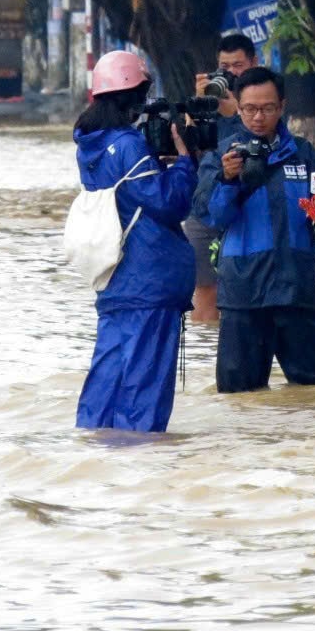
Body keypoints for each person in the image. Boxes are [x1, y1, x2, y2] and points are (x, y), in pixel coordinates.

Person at [192, 66, 315, 394]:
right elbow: (211, 217)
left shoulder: (305, 155)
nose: (258, 117)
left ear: (282, 106)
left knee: (314, 393)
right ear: (237, 104)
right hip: (243, 294)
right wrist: (227, 179)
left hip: (297, 290)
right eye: (249, 109)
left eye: (267, 108)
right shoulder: (222, 155)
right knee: (239, 397)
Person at [73, 50, 198, 432]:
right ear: (135, 95)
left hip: (115, 279)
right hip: (150, 280)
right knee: (145, 384)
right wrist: (185, 160)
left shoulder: (89, 146)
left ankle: (97, 458)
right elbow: (168, 203)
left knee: (107, 376)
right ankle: (140, 465)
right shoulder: (128, 145)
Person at [183, 32, 258, 324]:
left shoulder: (264, 96)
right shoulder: (211, 102)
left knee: (252, 293)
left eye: (237, 65)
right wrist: (197, 107)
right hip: (205, 206)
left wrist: (238, 112)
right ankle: (205, 356)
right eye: (224, 66)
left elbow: (270, 141)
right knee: (205, 293)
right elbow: (189, 150)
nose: (230, 72)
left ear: (253, 62)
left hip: (249, 209)